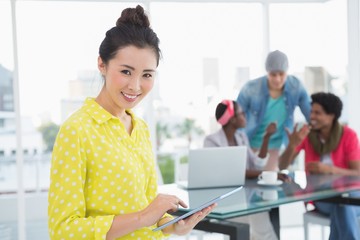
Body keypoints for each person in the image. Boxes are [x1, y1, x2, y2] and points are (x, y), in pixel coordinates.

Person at [48, 6, 215, 240]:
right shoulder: (76, 131)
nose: (135, 86)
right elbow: (63, 230)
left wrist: (174, 225)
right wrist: (144, 217)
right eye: (126, 72)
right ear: (102, 65)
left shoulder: (140, 129)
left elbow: (147, 209)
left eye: (147, 75)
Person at [279, 92, 360, 240]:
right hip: (322, 197)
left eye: (318, 113)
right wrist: (292, 146)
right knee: (342, 206)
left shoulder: (348, 135)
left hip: (351, 195)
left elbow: (357, 173)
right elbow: (282, 165)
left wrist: (330, 170)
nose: (312, 116)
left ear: (331, 116)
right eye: (311, 112)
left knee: (343, 204)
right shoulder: (306, 134)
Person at [204, 99, 288, 240]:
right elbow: (232, 174)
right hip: (224, 201)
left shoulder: (241, 137)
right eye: (241, 113)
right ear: (232, 119)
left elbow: (256, 164)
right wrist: (270, 174)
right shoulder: (211, 141)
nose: (245, 116)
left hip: (244, 197)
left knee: (259, 219)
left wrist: (266, 137)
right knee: (258, 222)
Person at [237, 50, 311, 170]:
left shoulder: (296, 87)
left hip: (280, 148)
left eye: (281, 74)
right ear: (267, 72)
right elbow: (236, 121)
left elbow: (311, 115)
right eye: (273, 75)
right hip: (252, 146)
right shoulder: (250, 89)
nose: (277, 79)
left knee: (276, 183)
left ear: (287, 72)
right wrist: (239, 148)